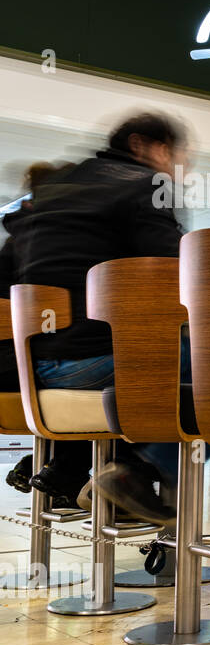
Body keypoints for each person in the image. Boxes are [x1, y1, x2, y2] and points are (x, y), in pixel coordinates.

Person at [9, 112, 189, 523]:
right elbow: (177, 274)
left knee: (166, 358)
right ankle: (136, 475)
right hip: (85, 363)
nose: (177, 165)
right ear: (142, 145)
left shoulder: (54, 188)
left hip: (32, 368)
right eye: (172, 152)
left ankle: (84, 470)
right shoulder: (145, 187)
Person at [2, 163, 78, 502]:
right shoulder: (57, 246)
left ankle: (52, 466)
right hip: (26, 369)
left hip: (11, 365)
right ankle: (70, 470)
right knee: (123, 378)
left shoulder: (15, 241)